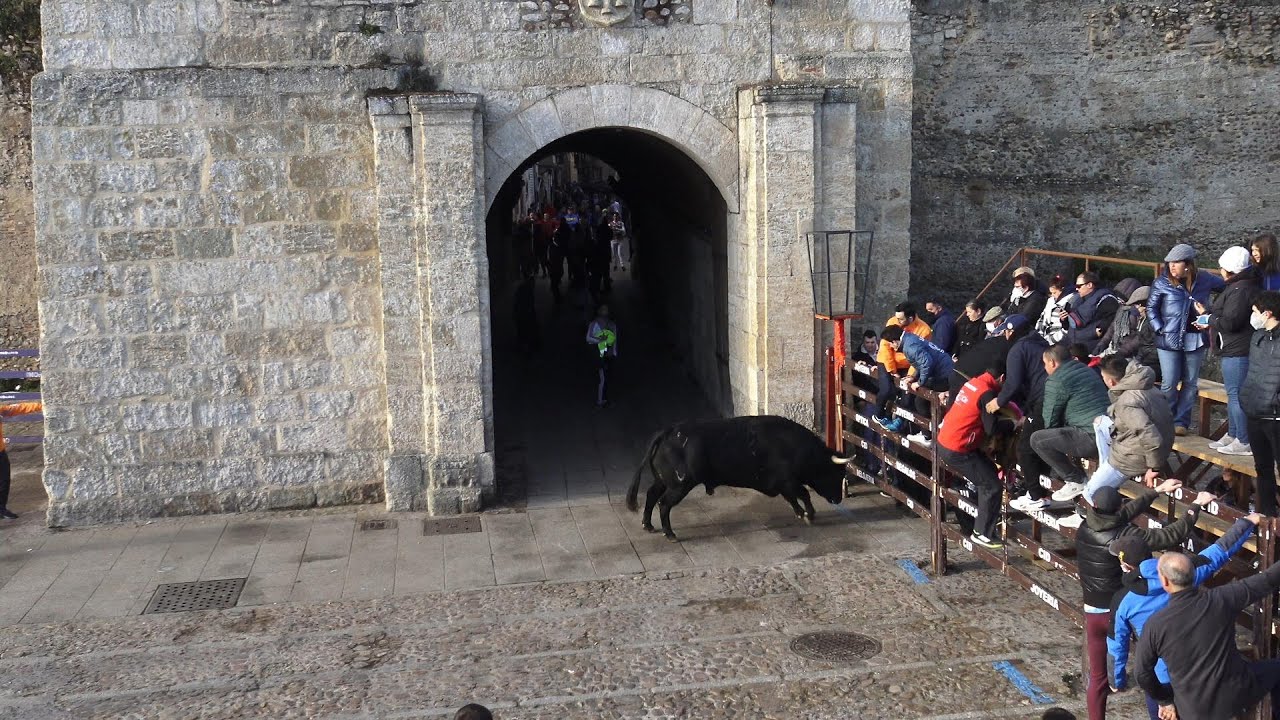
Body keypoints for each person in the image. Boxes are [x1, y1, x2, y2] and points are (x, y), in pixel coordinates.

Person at [1108, 514, 1259, 719]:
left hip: (1162, 678)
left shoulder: (1122, 600)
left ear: (1126, 566)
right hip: (1198, 673)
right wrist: (1247, 523)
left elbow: (1117, 643)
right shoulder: (1186, 571)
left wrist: (1116, 680)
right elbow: (1219, 552)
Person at [1074, 483, 1205, 720]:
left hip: (1093, 611)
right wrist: (1194, 508)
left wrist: (1155, 492)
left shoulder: (1084, 526)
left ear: (1094, 506)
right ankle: (1166, 707)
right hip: (1123, 610)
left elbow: (1120, 515)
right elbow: (1170, 535)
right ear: (1119, 506)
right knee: (1154, 663)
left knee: (1098, 678)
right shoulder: (1126, 537)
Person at [1134, 547, 1280, 720]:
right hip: (1236, 693)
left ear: (1165, 581)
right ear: (1194, 575)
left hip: (1192, 708)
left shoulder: (1155, 625)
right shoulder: (1222, 599)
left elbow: (1142, 674)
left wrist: (1165, 700)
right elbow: (1268, 579)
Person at [1057, 357, 1174, 515]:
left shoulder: (1127, 402)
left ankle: (1091, 518)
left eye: (1103, 378)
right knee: (1100, 422)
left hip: (1135, 457)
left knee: (1089, 494)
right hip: (1143, 443)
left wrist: (1155, 467)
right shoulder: (1145, 385)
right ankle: (1106, 467)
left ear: (1111, 382)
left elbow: (1150, 436)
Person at [936, 364, 1019, 549]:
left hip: (947, 441)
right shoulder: (987, 393)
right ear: (1002, 378)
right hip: (958, 448)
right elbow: (992, 427)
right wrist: (1014, 424)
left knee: (989, 473)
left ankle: (982, 527)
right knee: (992, 485)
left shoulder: (973, 382)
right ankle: (982, 533)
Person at [1147, 243, 1225, 435]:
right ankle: (1166, 420)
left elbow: (1229, 292)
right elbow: (1151, 308)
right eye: (1170, 263)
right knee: (1169, 382)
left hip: (1195, 336)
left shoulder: (1205, 279)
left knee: (1190, 382)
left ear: (1188, 264)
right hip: (1168, 338)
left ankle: (1181, 422)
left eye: (1177, 263)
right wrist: (1160, 329)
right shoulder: (1161, 282)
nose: (1172, 266)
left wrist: (1210, 314)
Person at [1031, 344, 1111, 503]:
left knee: (1038, 440)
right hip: (1107, 431)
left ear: (1053, 363)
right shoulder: (1085, 369)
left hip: (1091, 436)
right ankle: (1080, 508)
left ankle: (1076, 480)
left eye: (1045, 363)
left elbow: (1050, 419)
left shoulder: (1056, 380)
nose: (1044, 367)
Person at [1201, 246, 1261, 456]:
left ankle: (1243, 439)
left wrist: (1209, 319)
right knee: (1232, 394)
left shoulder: (1241, 289)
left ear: (1230, 269)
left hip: (1237, 349)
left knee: (1236, 396)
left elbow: (1232, 321)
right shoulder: (1239, 286)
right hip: (1232, 347)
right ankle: (1234, 433)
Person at [996, 325, 1053, 513]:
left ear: (1010, 332)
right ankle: (1044, 494)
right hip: (1051, 398)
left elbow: (1013, 382)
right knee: (1044, 446)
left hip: (1042, 401)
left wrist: (999, 401)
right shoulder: (1041, 344)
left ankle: (1035, 495)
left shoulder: (1017, 349)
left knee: (1025, 448)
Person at [881, 326, 953, 443]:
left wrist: (920, 382)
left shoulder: (910, 347)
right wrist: (913, 377)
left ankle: (927, 436)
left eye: (890, 343)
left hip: (943, 375)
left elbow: (926, 363)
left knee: (920, 401)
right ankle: (930, 433)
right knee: (921, 401)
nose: (890, 346)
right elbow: (920, 361)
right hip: (945, 370)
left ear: (895, 341)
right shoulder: (910, 338)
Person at [1243, 290, 1280, 515]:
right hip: (1254, 411)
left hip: (1275, 415)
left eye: (1255, 311)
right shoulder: (1257, 337)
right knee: (1262, 468)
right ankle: (1268, 517)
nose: (1252, 315)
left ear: (1267, 313)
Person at [871, 302, 932, 432]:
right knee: (887, 389)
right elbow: (886, 348)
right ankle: (878, 414)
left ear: (910, 318)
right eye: (897, 318)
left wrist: (909, 376)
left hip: (908, 364)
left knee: (908, 391)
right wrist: (893, 371)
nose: (897, 321)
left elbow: (918, 358)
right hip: (887, 360)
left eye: (900, 319)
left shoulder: (924, 330)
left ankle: (899, 420)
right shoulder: (892, 322)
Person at [1098, 286, 1159, 377]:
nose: (1137, 308)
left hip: (1148, 362)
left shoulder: (1151, 321)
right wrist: (1101, 344)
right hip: (1137, 357)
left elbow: (1140, 341)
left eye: (1138, 305)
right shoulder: (1142, 318)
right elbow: (1112, 329)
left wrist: (1122, 354)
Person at [0, 399, 40, 519]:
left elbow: (18, 408)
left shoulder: (1, 409)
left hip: (0, 452)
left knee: (4, 481)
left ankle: (1, 508)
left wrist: (40, 405)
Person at [1064, 272, 1121, 351]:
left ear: (1090, 285)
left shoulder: (1106, 299)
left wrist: (1099, 330)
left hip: (1089, 345)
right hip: (1072, 341)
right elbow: (1068, 326)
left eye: (1079, 286)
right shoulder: (1075, 300)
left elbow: (1111, 317)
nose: (1076, 289)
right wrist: (1064, 320)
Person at [586, 304, 618, 408]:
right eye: (603, 309)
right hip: (600, 354)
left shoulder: (612, 324)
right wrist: (600, 340)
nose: (605, 311)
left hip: (608, 355)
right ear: (599, 311)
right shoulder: (594, 324)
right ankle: (601, 400)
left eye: (606, 309)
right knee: (603, 378)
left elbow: (614, 340)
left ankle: (604, 399)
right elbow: (588, 338)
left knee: (607, 378)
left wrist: (614, 352)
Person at [1036, 275, 1075, 345]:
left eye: (1054, 293)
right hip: (1045, 336)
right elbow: (1042, 318)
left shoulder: (1070, 303)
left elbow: (1065, 329)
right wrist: (1038, 334)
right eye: (1051, 293)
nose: (1052, 295)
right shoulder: (1051, 301)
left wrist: (1048, 341)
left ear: (1063, 290)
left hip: (1058, 340)